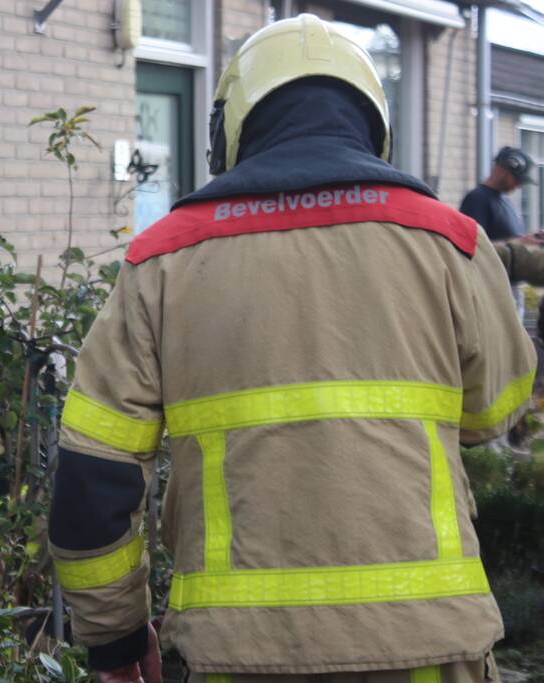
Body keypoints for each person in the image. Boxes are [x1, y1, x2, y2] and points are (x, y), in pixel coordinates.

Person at [48, 14, 535, 683]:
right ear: (371, 120)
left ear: (230, 128)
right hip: (426, 644)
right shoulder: (448, 240)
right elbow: (490, 414)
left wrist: (114, 639)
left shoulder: (161, 260)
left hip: (236, 654)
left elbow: (91, 472)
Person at [460, 146, 537, 242]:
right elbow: (473, 246)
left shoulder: (505, 200)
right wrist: (519, 244)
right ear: (502, 170)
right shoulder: (477, 199)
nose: (519, 185)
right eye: (518, 179)